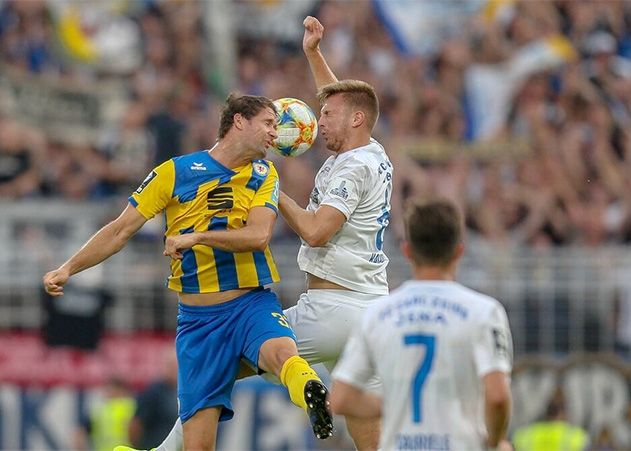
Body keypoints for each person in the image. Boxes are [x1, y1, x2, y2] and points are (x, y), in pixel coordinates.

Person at [151, 15, 393, 451]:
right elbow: (344, 101)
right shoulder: (373, 151)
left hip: (331, 309)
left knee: (216, 365)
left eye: (327, 115)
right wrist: (314, 54)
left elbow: (318, 232)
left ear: (356, 119)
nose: (319, 122)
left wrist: (273, 190)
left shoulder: (353, 168)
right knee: (370, 437)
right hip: (372, 309)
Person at [43, 93, 333, 451]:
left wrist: (197, 236)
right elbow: (119, 230)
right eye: (269, 124)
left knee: (282, 353)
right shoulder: (174, 172)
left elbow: (259, 236)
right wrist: (68, 267)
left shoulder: (264, 173)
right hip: (198, 322)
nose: (276, 134)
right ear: (239, 121)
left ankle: (311, 394)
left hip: (249, 302)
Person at [330, 199, 514, 451]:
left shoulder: (376, 315)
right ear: (458, 251)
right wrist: (494, 442)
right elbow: (498, 397)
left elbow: (341, 399)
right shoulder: (484, 312)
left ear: (407, 251)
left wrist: (396, 402)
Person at [128, 349, 179, 449]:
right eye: (172, 366)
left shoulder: (177, 392)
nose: (175, 370)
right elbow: (136, 424)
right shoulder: (153, 392)